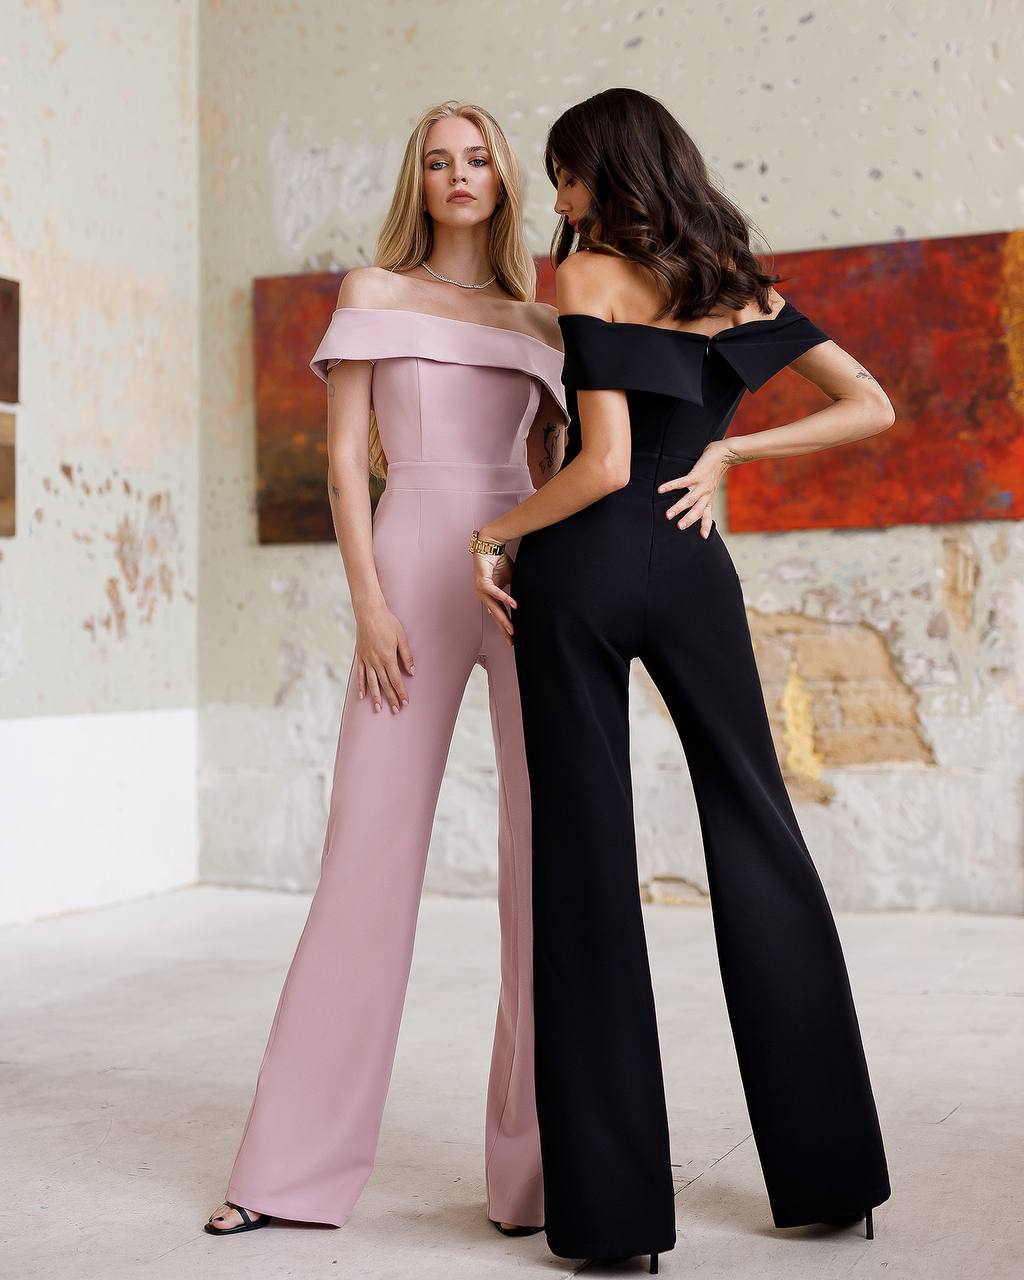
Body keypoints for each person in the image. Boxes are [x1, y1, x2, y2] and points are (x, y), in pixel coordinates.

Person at [472, 87, 894, 1273]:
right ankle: (829, 1181)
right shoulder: (737, 280)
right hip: (695, 560)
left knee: (588, 867)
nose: (556, 201)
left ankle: (613, 1225)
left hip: (587, 571)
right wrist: (725, 450)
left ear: (604, 172)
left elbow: (600, 463)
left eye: (564, 176)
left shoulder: (587, 273)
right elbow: (871, 403)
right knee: (758, 832)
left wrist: (491, 535)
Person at [204, 99, 567, 1238]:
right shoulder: (371, 292)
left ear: (504, 181)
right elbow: (342, 469)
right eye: (437, 160)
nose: (459, 175)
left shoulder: (543, 322)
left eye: (478, 160)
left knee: (542, 868)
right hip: (406, 571)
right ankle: (284, 1175)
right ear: (417, 180)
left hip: (521, 577)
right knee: (364, 859)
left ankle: (544, 1180)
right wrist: (368, 602)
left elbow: (557, 467)